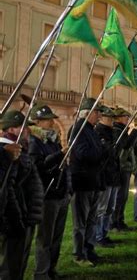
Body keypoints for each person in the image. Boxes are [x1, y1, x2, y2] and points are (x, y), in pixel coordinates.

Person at [0, 110, 43, 280]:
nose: (28, 131)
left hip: (24, 215)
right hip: (13, 219)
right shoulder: (6, 150)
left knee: (18, 264)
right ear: (11, 129)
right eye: (24, 127)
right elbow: (8, 188)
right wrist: (16, 219)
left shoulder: (18, 149)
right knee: (8, 267)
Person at [29, 104, 69, 280]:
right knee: (45, 238)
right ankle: (41, 273)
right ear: (37, 122)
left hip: (60, 193)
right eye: (48, 119)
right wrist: (60, 155)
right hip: (47, 195)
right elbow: (38, 167)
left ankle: (51, 269)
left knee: (56, 237)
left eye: (52, 119)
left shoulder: (51, 140)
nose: (52, 122)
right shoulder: (34, 142)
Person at [69, 98, 105, 267]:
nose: (99, 116)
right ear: (88, 113)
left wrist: (100, 152)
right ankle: (79, 254)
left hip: (93, 181)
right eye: (97, 112)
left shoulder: (91, 129)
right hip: (82, 182)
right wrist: (101, 152)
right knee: (81, 223)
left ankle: (89, 249)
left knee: (92, 220)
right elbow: (84, 154)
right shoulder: (78, 129)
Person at [94, 106, 120, 247]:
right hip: (104, 176)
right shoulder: (98, 132)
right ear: (102, 118)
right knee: (102, 208)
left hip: (113, 175)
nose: (111, 120)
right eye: (109, 118)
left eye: (112, 118)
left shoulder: (112, 132)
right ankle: (98, 236)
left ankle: (104, 232)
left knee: (110, 208)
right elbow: (104, 153)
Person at [111, 108, 137, 232]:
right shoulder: (117, 131)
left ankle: (119, 220)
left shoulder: (122, 131)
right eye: (125, 117)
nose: (128, 119)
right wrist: (135, 132)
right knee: (119, 197)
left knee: (123, 197)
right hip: (121, 167)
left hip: (124, 167)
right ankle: (114, 223)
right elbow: (126, 145)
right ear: (118, 118)